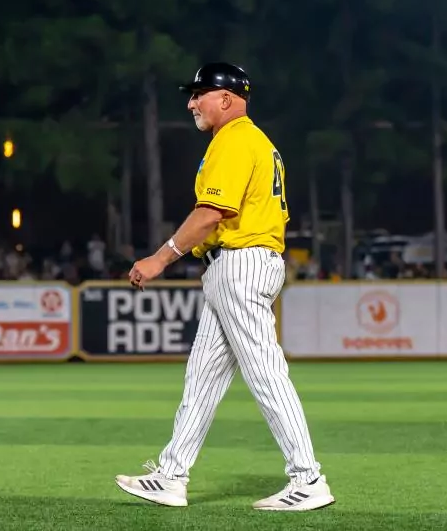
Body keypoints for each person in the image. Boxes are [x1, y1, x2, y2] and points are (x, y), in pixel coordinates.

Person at [117, 63, 334, 511]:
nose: (191, 103)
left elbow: (210, 214)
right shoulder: (253, 141)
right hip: (237, 265)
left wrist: (160, 258)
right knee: (202, 379)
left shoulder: (235, 139)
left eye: (199, 94)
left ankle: (309, 479)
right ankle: (171, 476)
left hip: (242, 264)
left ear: (227, 98)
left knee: (266, 375)